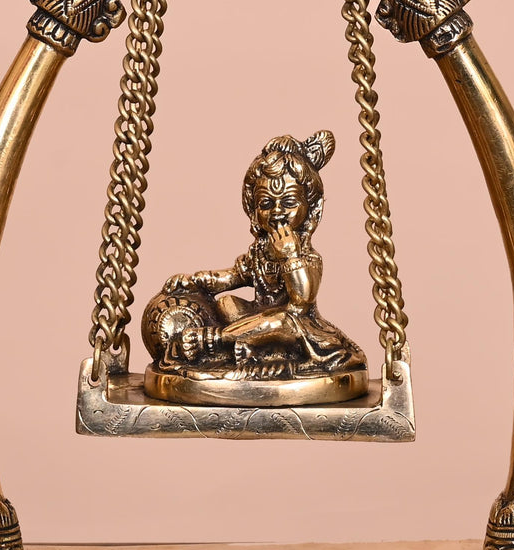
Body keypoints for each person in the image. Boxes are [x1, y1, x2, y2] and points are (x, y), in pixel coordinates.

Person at [143, 131, 365, 381]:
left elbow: (302, 301)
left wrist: (290, 255)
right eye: (266, 204)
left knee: (281, 319)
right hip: (258, 322)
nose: (277, 212)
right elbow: (230, 278)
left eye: (289, 202)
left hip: (296, 330)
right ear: (253, 211)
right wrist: (194, 281)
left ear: (312, 208)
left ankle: (215, 340)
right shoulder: (259, 254)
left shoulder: (306, 256)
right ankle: (253, 347)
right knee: (227, 303)